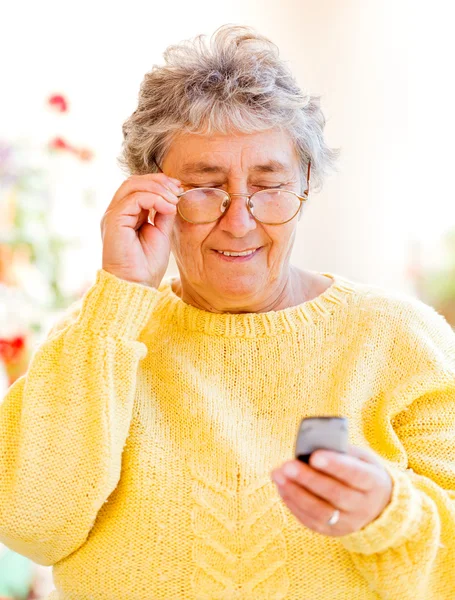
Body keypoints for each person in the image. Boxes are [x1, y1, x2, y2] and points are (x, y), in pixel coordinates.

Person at [0, 25, 454, 600]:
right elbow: (29, 525)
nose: (240, 221)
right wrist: (119, 294)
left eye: (268, 185)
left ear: (305, 186)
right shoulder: (97, 339)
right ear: (152, 196)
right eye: (204, 186)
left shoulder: (399, 338)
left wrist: (390, 512)